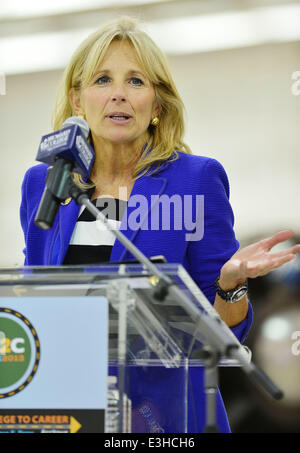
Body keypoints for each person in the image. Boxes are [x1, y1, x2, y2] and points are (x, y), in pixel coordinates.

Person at [20, 17, 300, 433]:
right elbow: (34, 300)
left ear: (157, 104)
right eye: (102, 80)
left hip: (166, 418)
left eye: (135, 81)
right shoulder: (46, 181)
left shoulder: (196, 179)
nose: (118, 94)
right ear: (78, 101)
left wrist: (230, 283)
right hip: (72, 411)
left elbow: (222, 335)